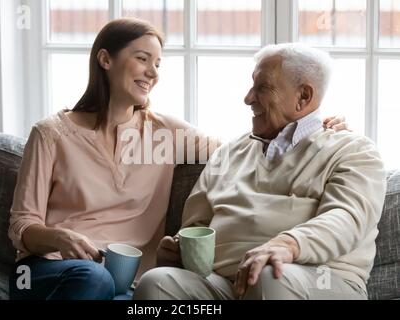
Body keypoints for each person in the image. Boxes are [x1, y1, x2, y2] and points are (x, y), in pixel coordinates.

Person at [8, 17, 347, 300]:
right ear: (105, 59)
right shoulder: (51, 134)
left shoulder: (165, 134)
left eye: (157, 63)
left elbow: (244, 148)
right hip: (49, 271)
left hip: (125, 282)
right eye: (142, 58)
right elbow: (22, 225)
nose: (153, 72)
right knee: (93, 280)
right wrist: (61, 238)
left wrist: (314, 125)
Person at [134, 43, 386, 300]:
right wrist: (179, 249)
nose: (248, 98)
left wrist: (288, 245)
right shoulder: (229, 152)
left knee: (269, 278)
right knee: (157, 283)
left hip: (321, 278)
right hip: (226, 283)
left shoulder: (354, 151)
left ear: (303, 97)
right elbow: (197, 223)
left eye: (262, 88)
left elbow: (347, 218)